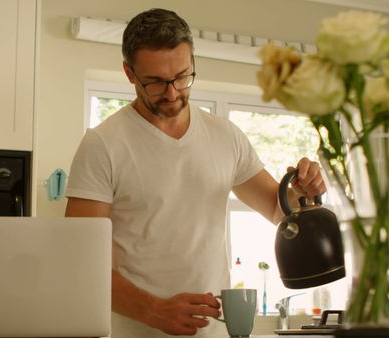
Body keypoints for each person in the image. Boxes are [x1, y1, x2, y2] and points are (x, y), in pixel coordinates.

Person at [64, 8, 326, 338]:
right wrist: (154, 310)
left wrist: (303, 189)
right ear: (130, 73)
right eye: (156, 82)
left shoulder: (226, 135)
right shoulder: (102, 144)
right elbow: (81, 261)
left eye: (182, 77)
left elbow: (279, 210)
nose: (172, 92)